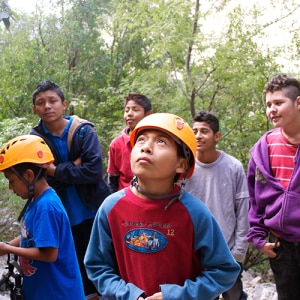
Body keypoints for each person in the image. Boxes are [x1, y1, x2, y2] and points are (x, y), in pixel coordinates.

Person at [84, 112, 240, 300]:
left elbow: (224, 270)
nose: (146, 147)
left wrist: (177, 296)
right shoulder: (112, 208)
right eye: (141, 140)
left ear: (181, 164)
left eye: (161, 142)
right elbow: (97, 266)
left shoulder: (194, 213)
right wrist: (127, 295)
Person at [30, 80, 111, 300]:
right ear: (34, 109)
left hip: (92, 209)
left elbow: (94, 172)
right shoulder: (35, 139)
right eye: (41, 102)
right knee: (71, 263)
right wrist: (73, 166)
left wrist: (55, 170)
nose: (47, 106)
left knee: (99, 261)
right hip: (61, 212)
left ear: (64, 104)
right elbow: (38, 175)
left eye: (52, 100)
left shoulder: (83, 131)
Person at [0, 135, 85, 300]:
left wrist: (8, 249)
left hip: (58, 293)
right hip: (44, 291)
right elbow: (30, 235)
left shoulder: (46, 207)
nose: (11, 187)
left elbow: (49, 254)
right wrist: (7, 244)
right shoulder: (37, 201)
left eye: (12, 181)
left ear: (29, 176)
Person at [185, 110, 249, 300]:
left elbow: (243, 211)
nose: (198, 136)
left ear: (217, 136)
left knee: (234, 296)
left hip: (227, 252)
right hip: (194, 251)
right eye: (194, 131)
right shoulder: (184, 167)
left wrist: (238, 252)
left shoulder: (233, 166)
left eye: (204, 131)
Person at [247, 74, 300, 300]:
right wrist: (258, 238)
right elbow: (255, 197)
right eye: (268, 104)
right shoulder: (264, 147)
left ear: (298, 103)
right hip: (281, 243)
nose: (272, 110)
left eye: (279, 103)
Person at [107, 92, 152, 193]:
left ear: (148, 114)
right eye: (127, 110)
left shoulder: (155, 143)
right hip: (125, 199)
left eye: (135, 110)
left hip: (152, 199)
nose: (129, 114)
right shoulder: (117, 144)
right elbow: (112, 180)